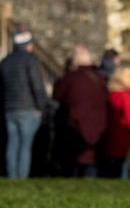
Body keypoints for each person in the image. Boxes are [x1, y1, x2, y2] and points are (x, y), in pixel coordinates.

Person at [1, 28, 50, 179]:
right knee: (25, 145)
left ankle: (12, 175)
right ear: (28, 44)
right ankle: (21, 177)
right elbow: (37, 86)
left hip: (10, 109)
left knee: (12, 143)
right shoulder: (31, 60)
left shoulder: (5, 62)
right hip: (28, 108)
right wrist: (42, 106)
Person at [52, 46, 107, 178]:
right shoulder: (100, 78)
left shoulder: (70, 79)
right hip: (97, 127)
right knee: (90, 163)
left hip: (75, 127)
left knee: (72, 165)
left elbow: (57, 95)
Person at [103, 66, 130, 179]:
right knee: (129, 169)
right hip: (128, 139)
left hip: (118, 138)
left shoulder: (113, 95)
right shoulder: (125, 96)